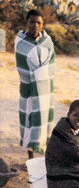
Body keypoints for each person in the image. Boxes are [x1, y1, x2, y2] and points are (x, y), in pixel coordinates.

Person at [15, 9, 56, 160]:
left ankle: (45, 155)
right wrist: (37, 74)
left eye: (39, 22)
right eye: (32, 22)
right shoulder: (20, 43)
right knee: (28, 120)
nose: (35, 25)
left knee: (45, 120)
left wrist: (40, 73)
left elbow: (51, 65)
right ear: (26, 22)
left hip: (45, 90)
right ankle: (30, 156)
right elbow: (21, 67)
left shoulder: (47, 42)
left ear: (42, 24)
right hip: (28, 89)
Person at [45, 99, 79, 188]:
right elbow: (77, 152)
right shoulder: (60, 130)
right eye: (76, 115)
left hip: (75, 166)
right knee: (77, 183)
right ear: (68, 115)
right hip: (58, 168)